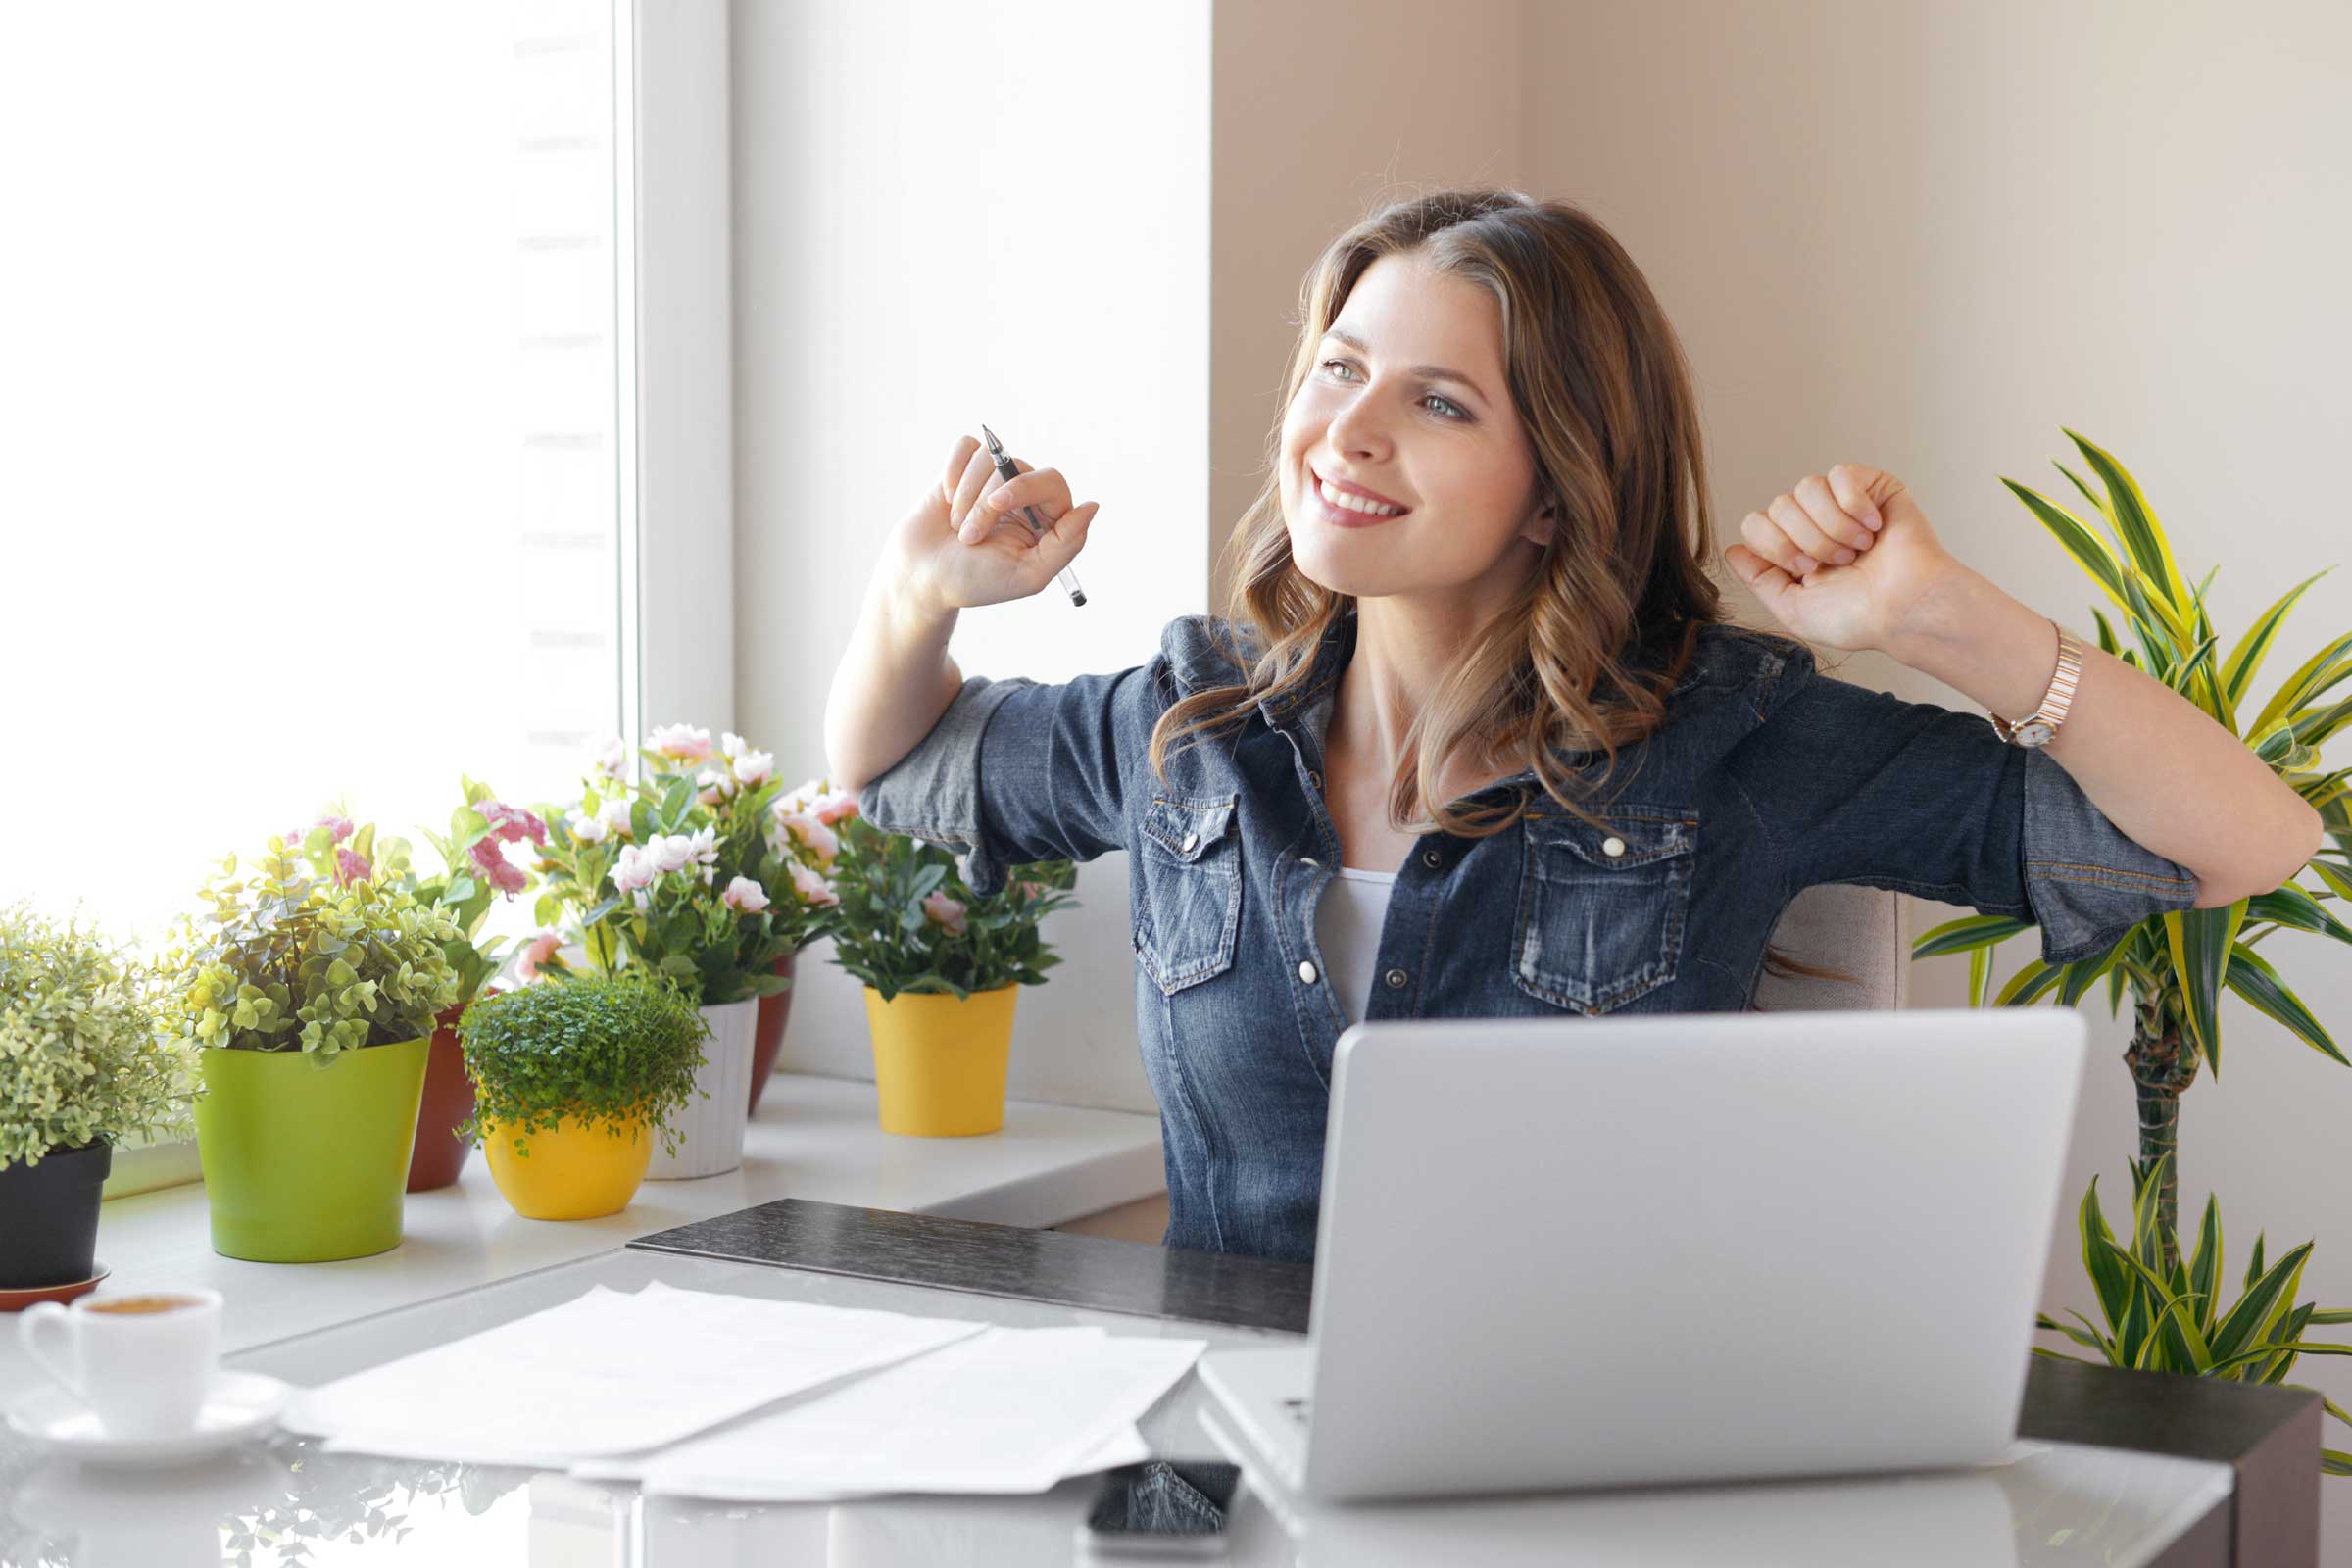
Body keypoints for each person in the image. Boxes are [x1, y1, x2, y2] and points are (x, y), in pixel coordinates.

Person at [824, 187, 2321, 1266]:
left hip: (1579, 1483)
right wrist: (917, 590)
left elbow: (2244, 844)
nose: (1346, 432)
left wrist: (1943, 622)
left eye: (1440, 403)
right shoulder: (1191, 721)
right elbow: (893, 778)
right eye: (1338, 369)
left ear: (1559, 485)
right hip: (1233, 1477)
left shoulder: (1724, 736)